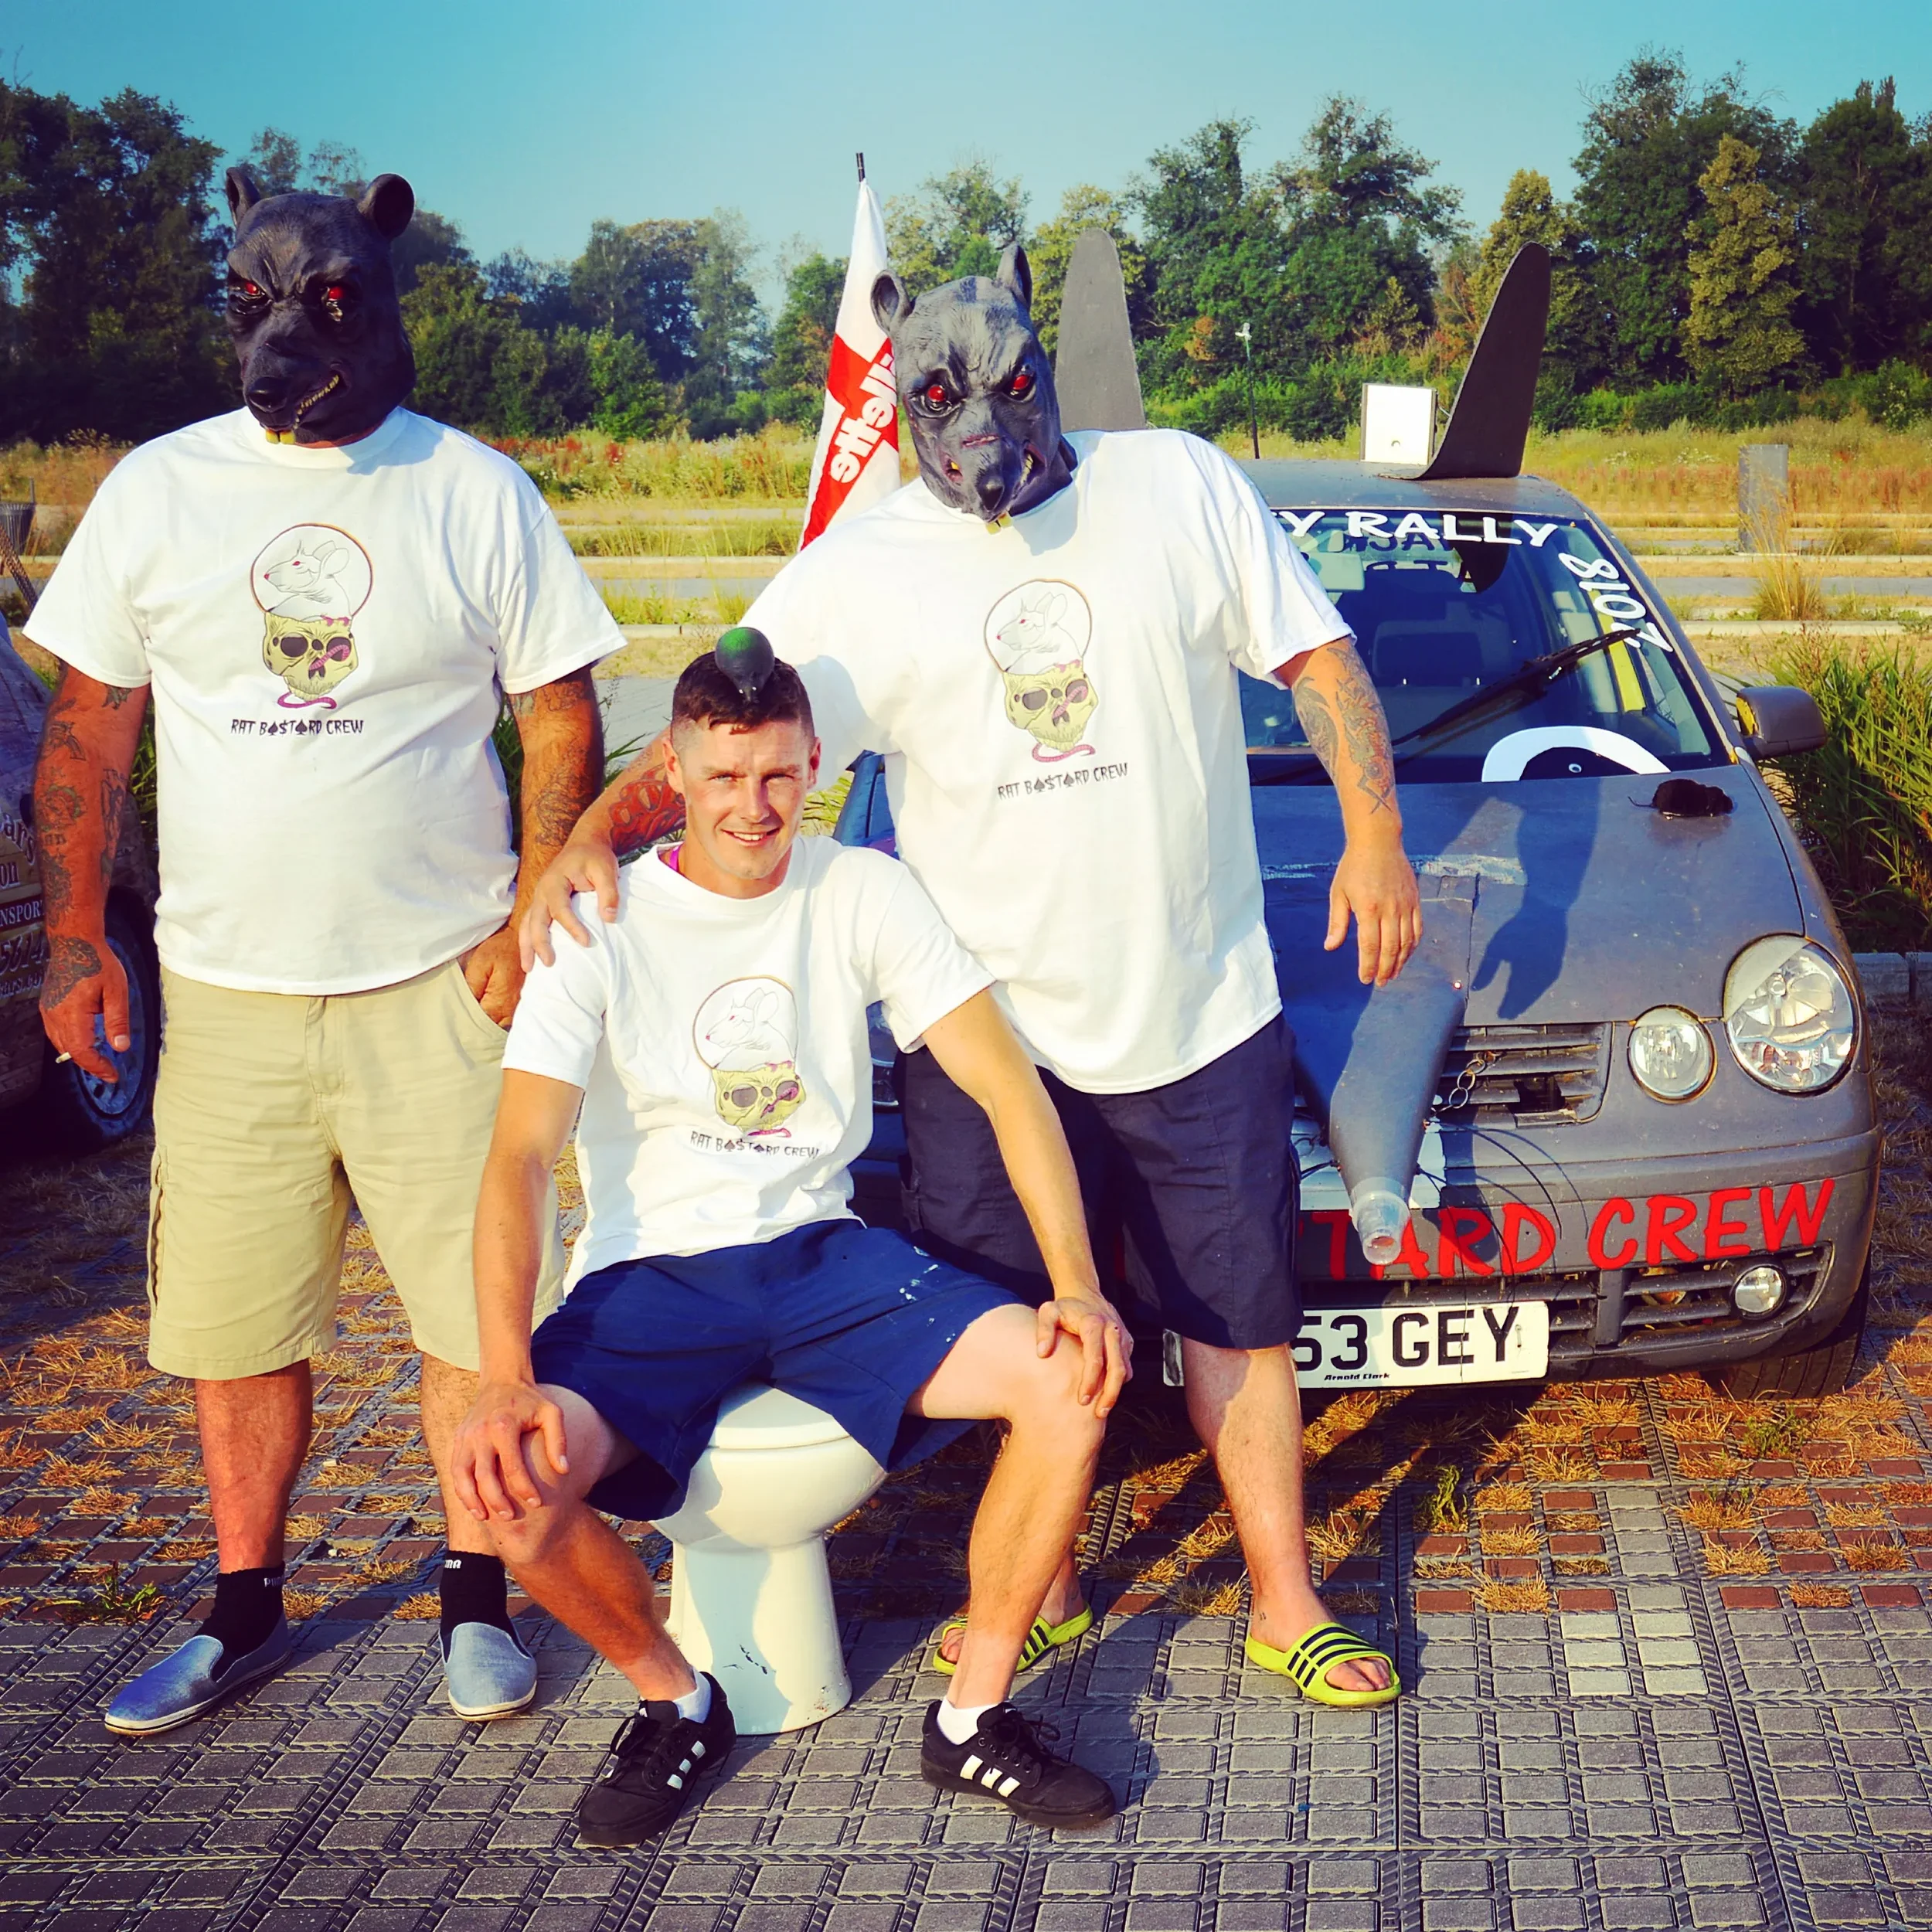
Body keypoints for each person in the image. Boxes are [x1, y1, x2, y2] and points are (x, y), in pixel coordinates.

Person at [524, 248, 1416, 1707]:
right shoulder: (863, 563)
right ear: (903, 399)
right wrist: (584, 840)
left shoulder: (1174, 483)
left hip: (1197, 1010)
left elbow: (1317, 656)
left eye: (1005, 392)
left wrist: (1374, 833)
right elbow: (728, 692)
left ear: (1042, 373)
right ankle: (1046, 1595)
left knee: (1238, 1321)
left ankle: (1282, 1598)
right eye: (940, 402)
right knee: (1014, 1333)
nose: (981, 433)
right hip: (985, 1041)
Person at [26, 166, 617, 1734]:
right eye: (256, 304)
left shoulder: (472, 489)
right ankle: (241, 1611)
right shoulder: (158, 490)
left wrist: (524, 912)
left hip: (440, 983)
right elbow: (89, 724)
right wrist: (77, 939)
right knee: (237, 1325)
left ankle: (475, 1600)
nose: (285, 337)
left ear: (380, 289)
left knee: (471, 1317)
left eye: (325, 302)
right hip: (224, 994)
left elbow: (557, 704)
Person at [454, 643, 1131, 1845]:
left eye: (777, 775)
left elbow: (1009, 1089)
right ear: (675, 770)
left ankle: (973, 1720)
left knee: (1070, 1380)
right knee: (506, 1490)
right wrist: (505, 1371)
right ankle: (677, 1701)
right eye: (723, 776)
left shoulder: (861, 889)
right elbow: (516, 1159)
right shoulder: (595, 919)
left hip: (825, 1257)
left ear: (814, 764)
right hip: (648, 1276)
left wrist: (1077, 1287)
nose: (752, 806)